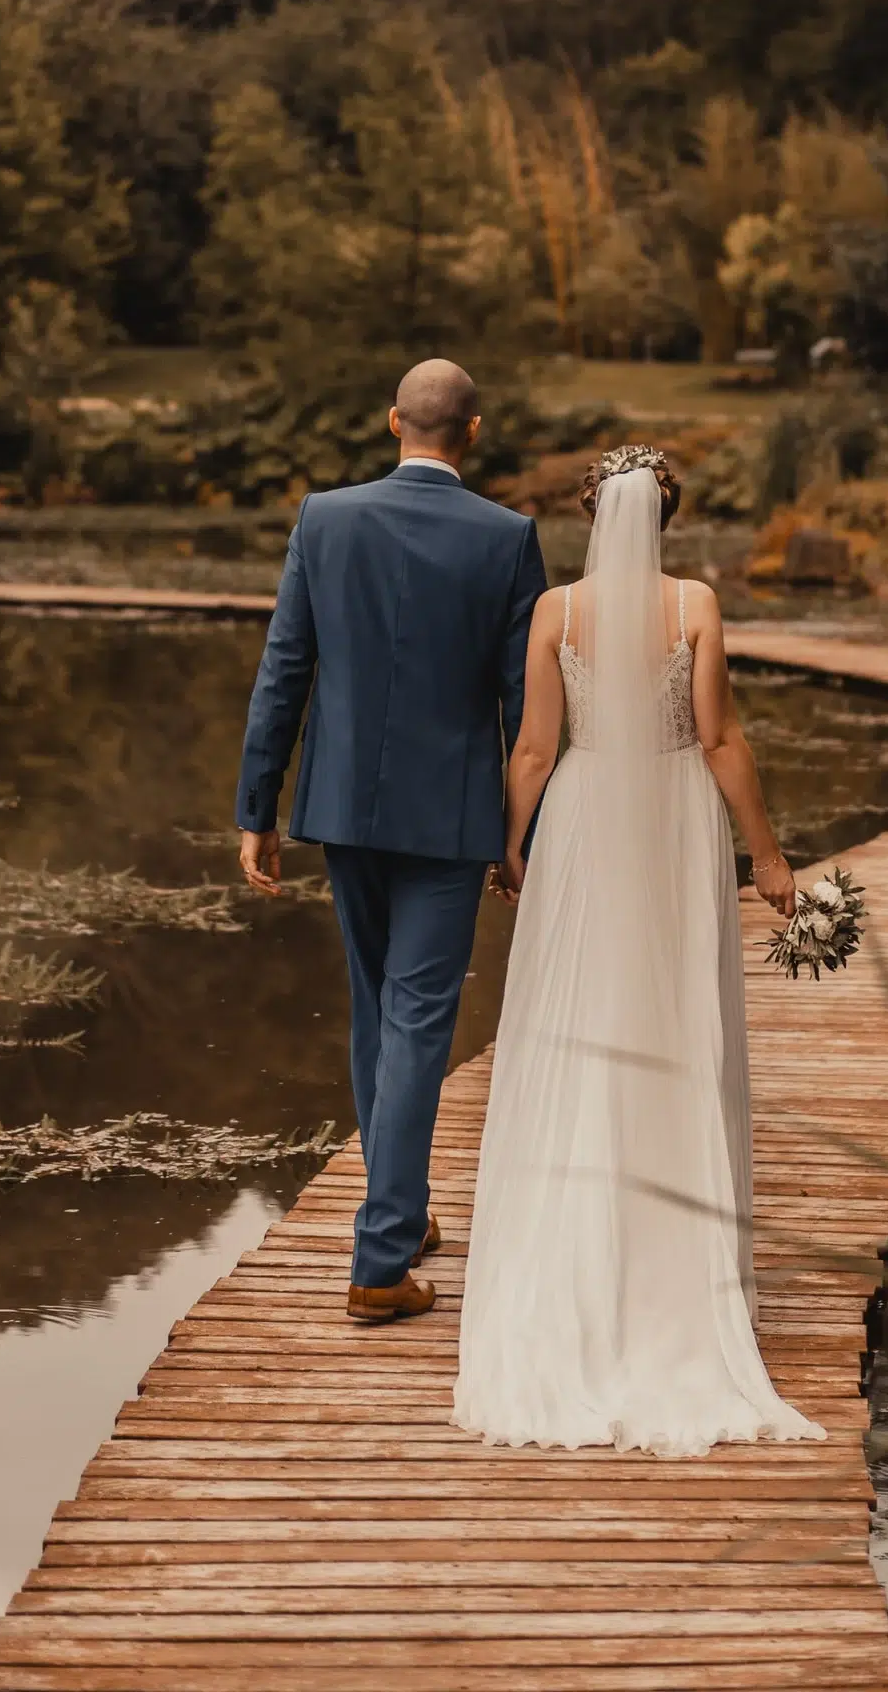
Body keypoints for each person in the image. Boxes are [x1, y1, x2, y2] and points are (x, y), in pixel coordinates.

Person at [452, 444, 823, 1454]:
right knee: (677, 1024)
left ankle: (575, 1263)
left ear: (590, 515)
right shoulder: (695, 602)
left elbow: (533, 745)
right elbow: (718, 740)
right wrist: (769, 852)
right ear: (663, 515)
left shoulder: (555, 613)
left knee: (575, 1023)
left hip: (580, 817)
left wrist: (509, 840)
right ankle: (678, 1268)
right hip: (670, 819)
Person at [235, 358, 547, 1324]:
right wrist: (516, 833)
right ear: (475, 432)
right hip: (450, 820)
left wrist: (257, 807)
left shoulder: (323, 519)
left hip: (341, 812)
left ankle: (400, 1224)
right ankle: (380, 1257)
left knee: (378, 1013)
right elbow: (526, 703)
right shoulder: (507, 538)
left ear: (391, 423)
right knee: (413, 1022)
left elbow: (284, 668)